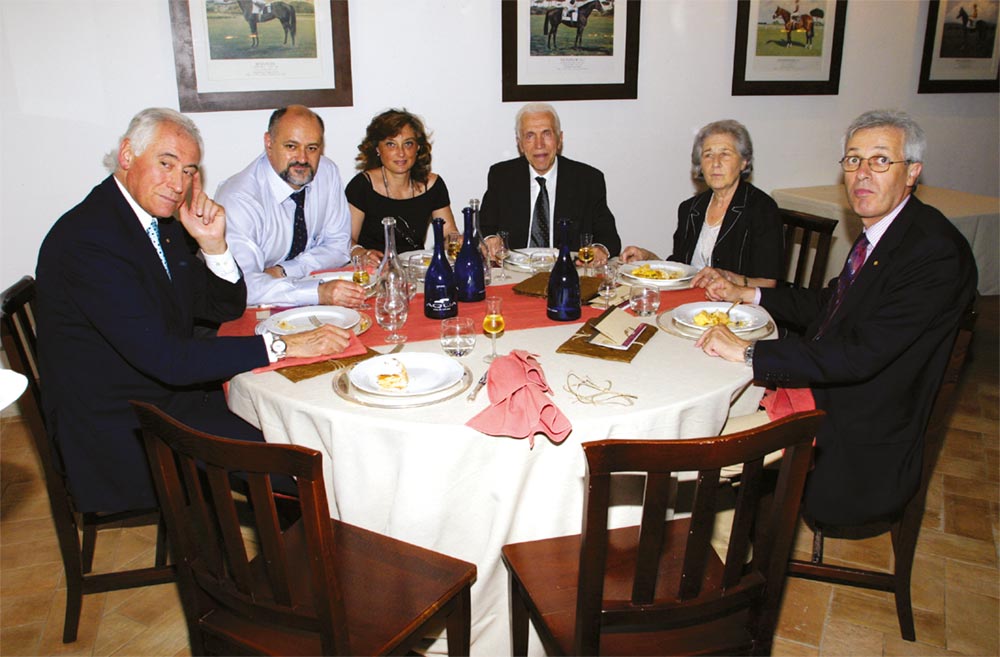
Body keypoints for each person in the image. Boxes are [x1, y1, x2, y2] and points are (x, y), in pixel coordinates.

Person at [35, 108, 353, 515]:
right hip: (127, 428)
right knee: (301, 462)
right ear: (127, 155)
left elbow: (223, 305)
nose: (178, 184)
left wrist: (214, 246)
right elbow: (169, 359)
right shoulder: (90, 241)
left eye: (188, 171)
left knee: (299, 423)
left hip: (167, 396)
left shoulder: (157, 221)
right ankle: (309, 547)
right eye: (166, 164)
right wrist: (282, 345)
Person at [696, 110, 977, 527]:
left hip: (855, 429)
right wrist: (749, 293)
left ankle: (724, 553)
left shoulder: (932, 252)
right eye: (853, 160)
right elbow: (831, 305)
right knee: (701, 409)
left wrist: (751, 353)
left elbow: (860, 356)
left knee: (689, 451)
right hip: (826, 391)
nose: (863, 173)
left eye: (880, 160)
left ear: (912, 171)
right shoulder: (887, 231)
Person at [216, 105, 364, 308]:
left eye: (312, 148)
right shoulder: (239, 199)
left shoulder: (326, 172)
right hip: (255, 307)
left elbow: (338, 246)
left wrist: (285, 270)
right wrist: (316, 293)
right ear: (269, 143)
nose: (302, 159)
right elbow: (244, 287)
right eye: (291, 147)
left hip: (305, 294)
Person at [620, 120, 783, 290]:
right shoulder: (690, 208)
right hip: (691, 297)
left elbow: (768, 283)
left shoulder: (762, 209)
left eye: (725, 154)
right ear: (700, 166)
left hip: (733, 303)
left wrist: (727, 277)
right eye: (708, 155)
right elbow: (681, 270)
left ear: (744, 162)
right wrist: (649, 259)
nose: (715, 163)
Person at [480, 102, 621, 265]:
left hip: (568, 270)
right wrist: (490, 239)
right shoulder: (502, 176)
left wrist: (599, 249)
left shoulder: (588, 179)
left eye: (546, 134)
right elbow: (484, 226)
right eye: (530, 136)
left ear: (560, 139)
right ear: (520, 143)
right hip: (515, 270)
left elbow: (608, 237)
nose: (539, 145)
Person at [346, 109, 458, 266]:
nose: (401, 153)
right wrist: (361, 253)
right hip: (374, 270)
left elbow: (449, 234)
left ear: (418, 147)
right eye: (391, 144)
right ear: (377, 149)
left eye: (408, 144)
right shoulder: (362, 186)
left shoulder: (433, 185)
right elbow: (347, 239)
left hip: (415, 269)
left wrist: (456, 241)